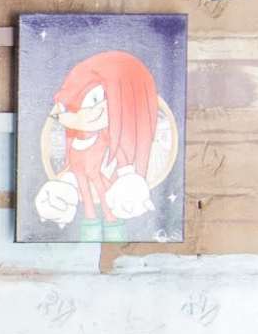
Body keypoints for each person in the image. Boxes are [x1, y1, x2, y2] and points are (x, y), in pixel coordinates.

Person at [32, 47, 179, 230]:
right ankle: (93, 223)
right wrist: (63, 191)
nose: (95, 111)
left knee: (100, 191)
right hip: (80, 173)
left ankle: (110, 222)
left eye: (104, 100)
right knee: (87, 193)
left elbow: (121, 159)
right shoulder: (74, 132)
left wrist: (127, 178)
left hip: (103, 178)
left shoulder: (113, 137)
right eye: (91, 100)